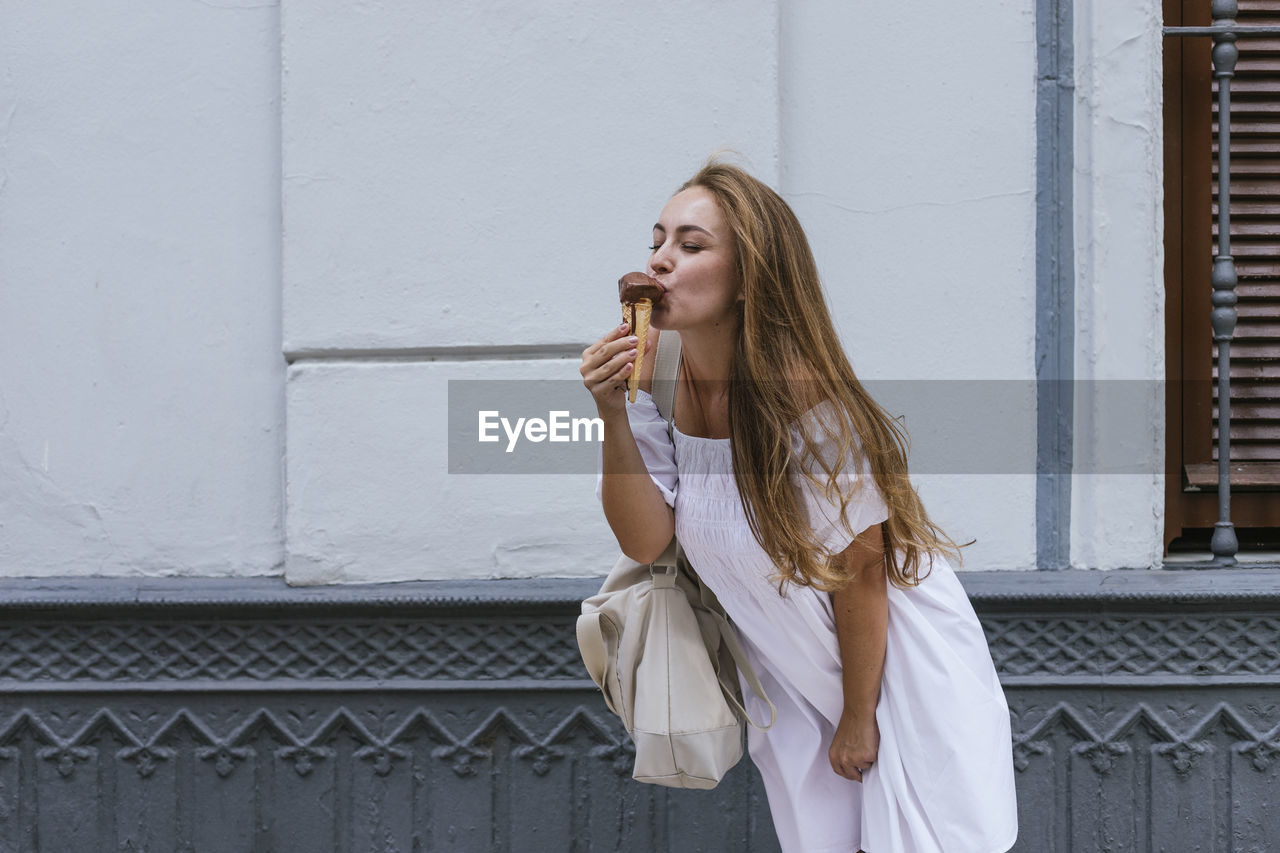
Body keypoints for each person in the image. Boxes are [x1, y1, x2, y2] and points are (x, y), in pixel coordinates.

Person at [580, 160, 1018, 853]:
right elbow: (645, 539)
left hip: (891, 665)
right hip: (782, 666)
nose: (660, 261)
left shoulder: (800, 394)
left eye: (691, 246)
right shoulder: (652, 368)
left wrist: (858, 714)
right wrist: (609, 414)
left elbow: (863, 569)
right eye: (658, 240)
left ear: (749, 276)